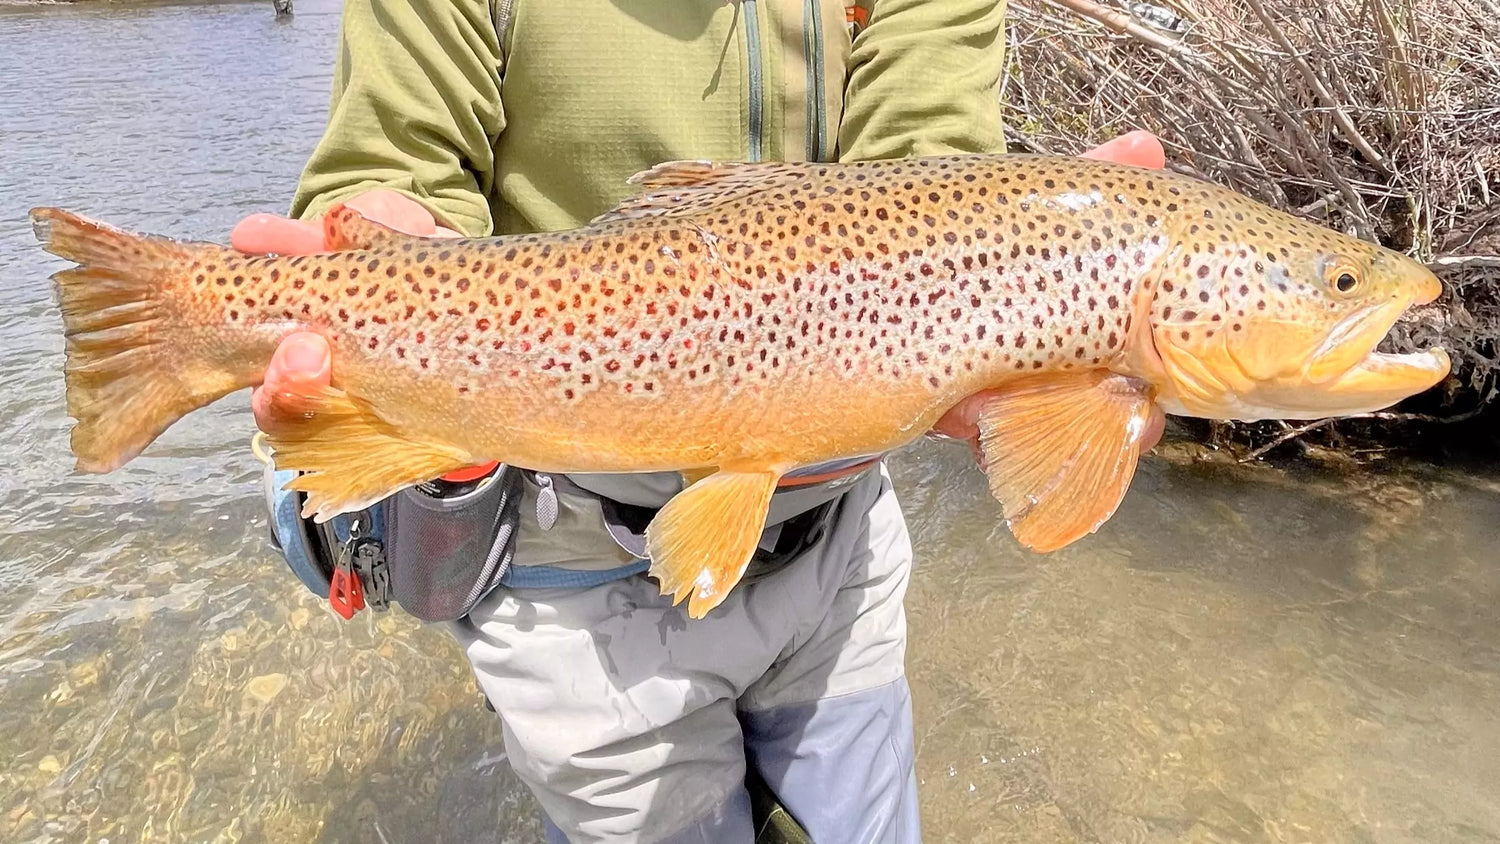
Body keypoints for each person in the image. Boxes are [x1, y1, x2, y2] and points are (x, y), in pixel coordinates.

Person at [235, 0, 1167, 840]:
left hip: (839, 546)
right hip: (572, 570)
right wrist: (390, 274)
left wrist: (1019, 298)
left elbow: (923, 170)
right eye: (1327, 291)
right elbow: (395, 166)